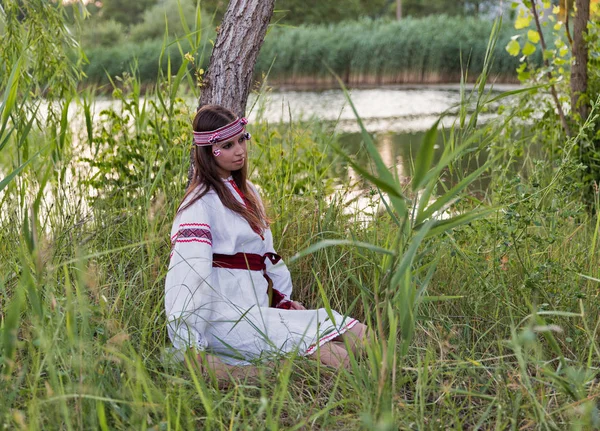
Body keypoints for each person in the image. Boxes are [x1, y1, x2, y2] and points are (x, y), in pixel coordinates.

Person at [165, 104, 367, 379]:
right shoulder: (198, 205)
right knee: (337, 357)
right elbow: (189, 278)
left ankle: (398, 377)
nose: (240, 151)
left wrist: (282, 301)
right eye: (227, 145)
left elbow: (267, 256)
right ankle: (252, 371)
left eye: (241, 140)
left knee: (359, 333)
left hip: (258, 311)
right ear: (208, 152)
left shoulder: (249, 192)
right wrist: (188, 341)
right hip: (222, 317)